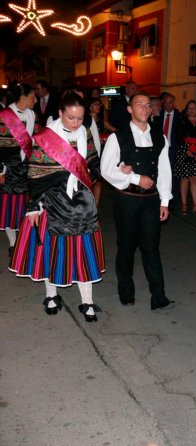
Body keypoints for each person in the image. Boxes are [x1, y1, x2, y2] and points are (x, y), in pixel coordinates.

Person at [9, 93, 104, 323]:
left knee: (84, 254)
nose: (76, 123)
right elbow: (34, 176)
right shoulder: (44, 138)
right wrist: (33, 208)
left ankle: (87, 301)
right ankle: (51, 296)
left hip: (81, 205)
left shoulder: (85, 134)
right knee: (50, 254)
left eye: (80, 118)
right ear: (60, 113)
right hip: (52, 205)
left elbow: (92, 164)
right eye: (71, 117)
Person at [100, 92, 174, 311]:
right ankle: (126, 289)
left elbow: (164, 170)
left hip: (151, 202)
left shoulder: (160, 137)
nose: (144, 108)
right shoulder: (118, 137)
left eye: (148, 105)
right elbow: (106, 170)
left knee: (151, 248)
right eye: (139, 104)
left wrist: (165, 201)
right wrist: (133, 177)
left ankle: (158, 295)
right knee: (126, 247)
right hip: (127, 201)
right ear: (130, 109)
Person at [0, 83, 37, 260]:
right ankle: (13, 243)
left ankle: (22, 241)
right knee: (8, 209)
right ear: (23, 97)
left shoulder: (31, 114)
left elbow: (32, 141)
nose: (35, 100)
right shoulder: (5, 115)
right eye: (33, 96)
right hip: (8, 169)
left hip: (24, 168)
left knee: (23, 208)